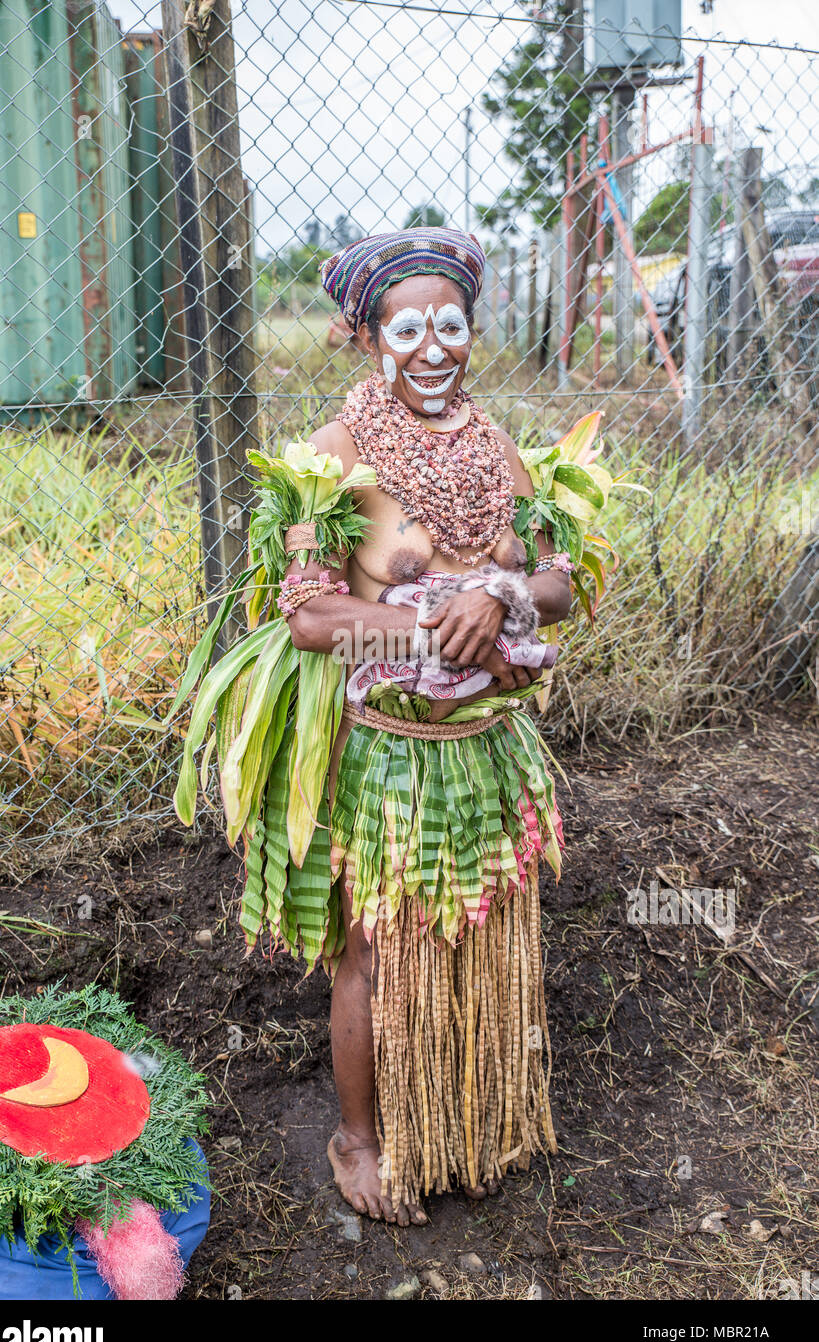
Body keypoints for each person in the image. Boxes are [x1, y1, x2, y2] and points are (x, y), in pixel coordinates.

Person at [281, 229, 572, 1226]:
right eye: (408, 327)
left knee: (477, 939)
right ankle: (359, 1137)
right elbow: (310, 613)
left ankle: (469, 1124)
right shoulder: (333, 457)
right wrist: (427, 622)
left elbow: (560, 583)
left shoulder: (500, 451)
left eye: (451, 324)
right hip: (389, 757)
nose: (434, 345)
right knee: (374, 948)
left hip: (486, 749)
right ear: (367, 337)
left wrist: (498, 592)